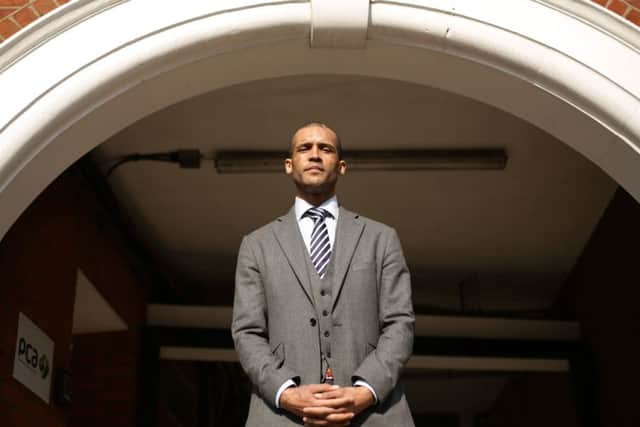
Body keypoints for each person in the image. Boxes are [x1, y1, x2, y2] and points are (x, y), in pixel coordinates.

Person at [231, 122, 415, 426]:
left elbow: (400, 323)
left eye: (325, 149)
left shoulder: (381, 238)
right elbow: (247, 332)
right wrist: (286, 393)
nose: (315, 155)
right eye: (305, 148)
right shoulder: (256, 245)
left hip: (374, 415)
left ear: (341, 167)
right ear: (289, 165)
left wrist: (366, 391)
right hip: (281, 417)